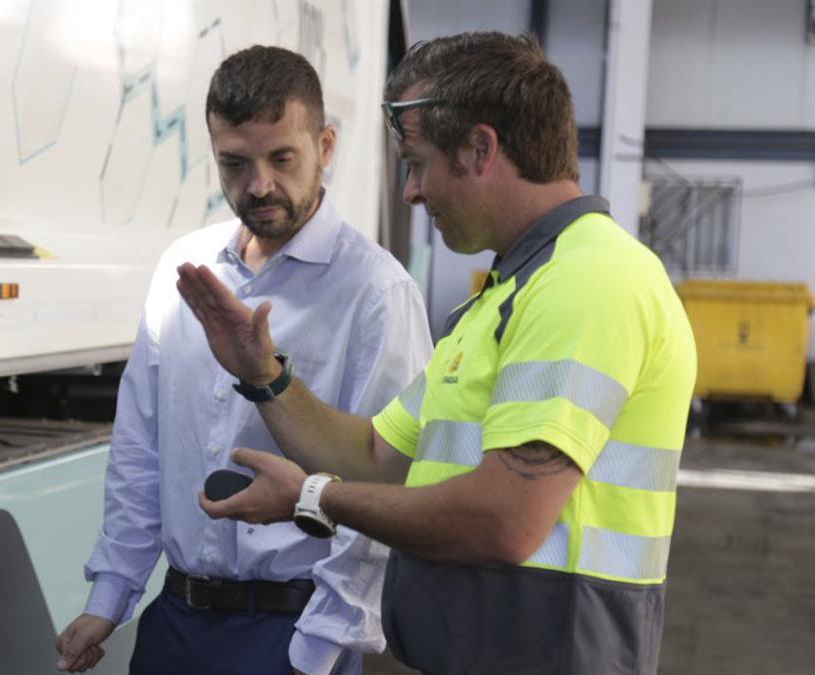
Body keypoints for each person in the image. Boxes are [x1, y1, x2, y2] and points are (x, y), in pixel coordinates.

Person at [179, 32, 697, 675]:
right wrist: (264, 375)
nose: (411, 193)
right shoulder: (508, 294)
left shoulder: (587, 281)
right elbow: (376, 458)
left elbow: (504, 520)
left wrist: (315, 498)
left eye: (417, 164)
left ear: (480, 148)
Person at [54, 46, 432, 675]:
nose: (258, 185)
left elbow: (387, 486)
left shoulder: (374, 291)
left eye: (282, 158)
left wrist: (318, 648)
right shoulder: (186, 272)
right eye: (235, 162)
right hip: (176, 620)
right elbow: (140, 450)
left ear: (326, 146)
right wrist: (110, 596)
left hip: (293, 627)